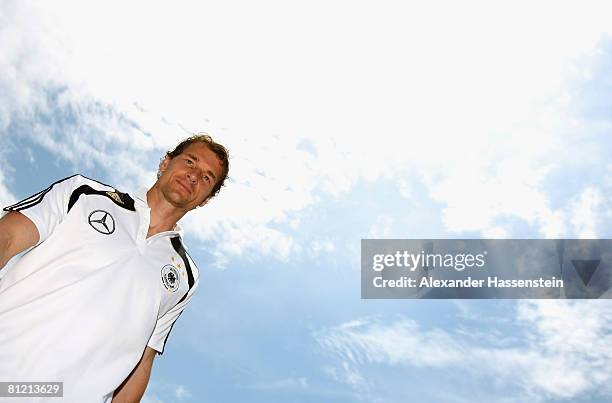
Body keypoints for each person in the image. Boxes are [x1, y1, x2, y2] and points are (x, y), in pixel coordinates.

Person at [0, 134, 229, 402]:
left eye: (206, 178)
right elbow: (7, 239)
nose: (194, 175)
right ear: (166, 162)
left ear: (205, 200)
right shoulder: (83, 194)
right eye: (190, 161)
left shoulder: (185, 278)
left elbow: (143, 361)